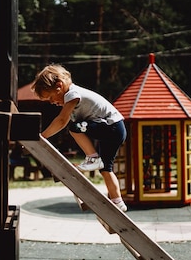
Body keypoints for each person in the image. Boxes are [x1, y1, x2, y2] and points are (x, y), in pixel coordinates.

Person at [31, 64, 128, 211]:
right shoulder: (71, 96)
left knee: (75, 128)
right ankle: (118, 203)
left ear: (59, 86)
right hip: (116, 128)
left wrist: (42, 136)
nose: (52, 102)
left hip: (111, 126)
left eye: (51, 97)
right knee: (105, 168)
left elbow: (62, 120)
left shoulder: (72, 94)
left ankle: (92, 157)